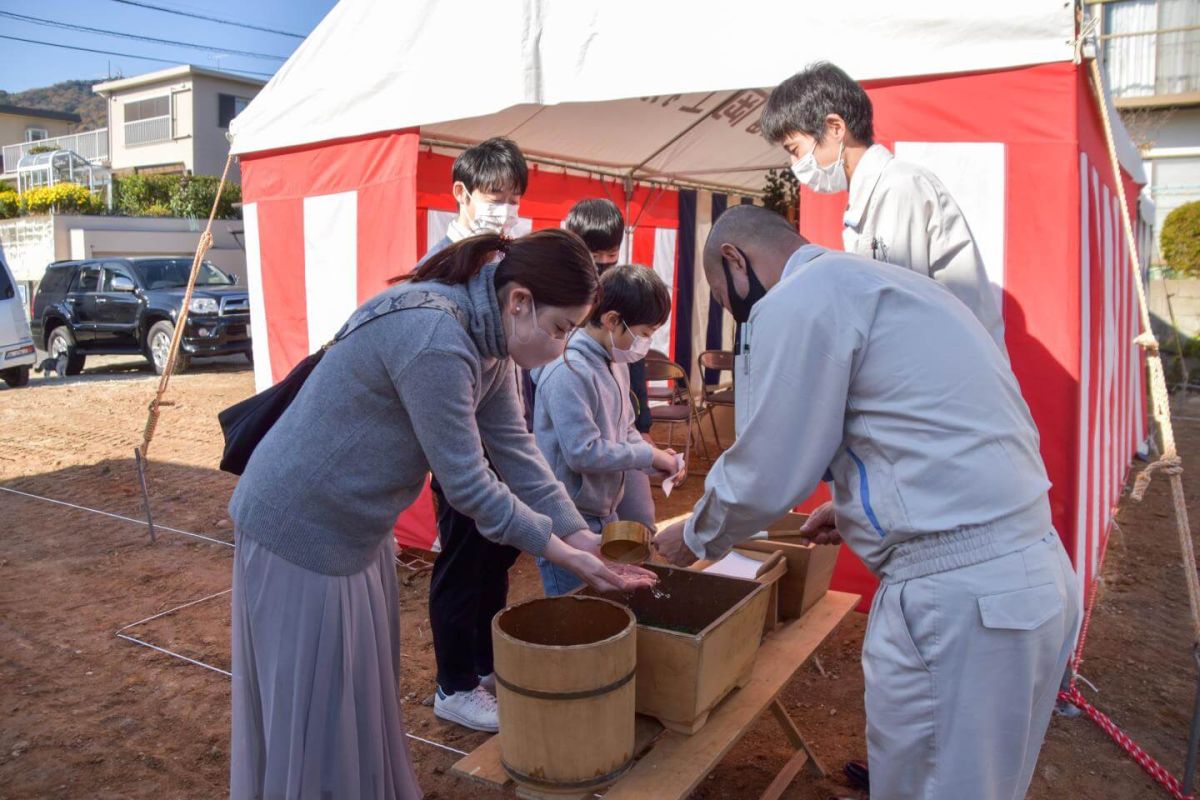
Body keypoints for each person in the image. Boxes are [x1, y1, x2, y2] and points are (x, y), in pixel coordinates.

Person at [653, 205, 1078, 800]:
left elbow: (767, 468)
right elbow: (925, 430)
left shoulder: (799, 299)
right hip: (1034, 571)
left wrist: (693, 535)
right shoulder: (896, 286)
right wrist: (854, 511)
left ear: (735, 259)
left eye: (727, 300)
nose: (738, 315)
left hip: (962, 604)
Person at [229, 229, 656, 799]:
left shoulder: (488, 337)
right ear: (520, 301)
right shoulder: (438, 337)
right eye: (559, 329)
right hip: (302, 529)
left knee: (355, 697)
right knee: (319, 705)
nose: (560, 347)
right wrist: (560, 551)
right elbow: (471, 486)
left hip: (356, 531)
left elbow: (516, 450)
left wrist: (580, 533)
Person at [759, 61, 1006, 354]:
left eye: (794, 150)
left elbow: (900, 312)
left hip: (953, 375)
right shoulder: (873, 195)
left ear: (835, 127)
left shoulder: (898, 188)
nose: (794, 164)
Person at [420, 137, 531, 733]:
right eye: (496, 197)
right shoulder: (439, 272)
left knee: (494, 559)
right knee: (462, 559)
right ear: (461, 194)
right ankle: (452, 681)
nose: (506, 209)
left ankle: (484, 667)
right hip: (459, 442)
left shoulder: (498, 258)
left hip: (497, 433)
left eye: (514, 199)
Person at [531, 265, 679, 595]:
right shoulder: (569, 369)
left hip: (605, 512)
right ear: (612, 320)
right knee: (574, 612)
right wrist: (645, 453)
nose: (646, 342)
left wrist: (650, 461)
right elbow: (583, 452)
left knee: (605, 604)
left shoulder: (614, 361)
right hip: (568, 517)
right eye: (644, 332)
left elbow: (625, 427)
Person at [564, 198, 659, 532]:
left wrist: (642, 426)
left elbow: (632, 361)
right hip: (584, 441)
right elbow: (580, 449)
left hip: (622, 430)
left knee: (639, 522)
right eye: (596, 257)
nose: (604, 264)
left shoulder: (622, 289)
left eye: (612, 255)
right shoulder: (561, 306)